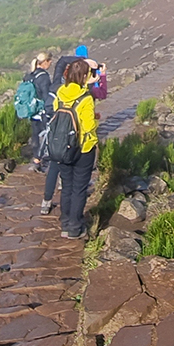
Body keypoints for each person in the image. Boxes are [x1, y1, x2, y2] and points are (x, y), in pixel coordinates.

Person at [47, 58, 99, 238]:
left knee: (67, 186)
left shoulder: (61, 92)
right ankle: (75, 228)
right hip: (83, 149)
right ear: (84, 76)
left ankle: (65, 222)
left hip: (61, 147)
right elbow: (89, 126)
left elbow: (56, 113)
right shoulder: (85, 98)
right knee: (79, 188)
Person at [26, 52, 55, 174]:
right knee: (45, 136)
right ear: (45, 62)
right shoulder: (44, 76)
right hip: (42, 112)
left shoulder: (30, 75)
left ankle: (35, 160)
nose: (51, 63)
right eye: (50, 61)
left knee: (35, 136)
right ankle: (41, 162)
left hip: (33, 112)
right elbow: (46, 95)